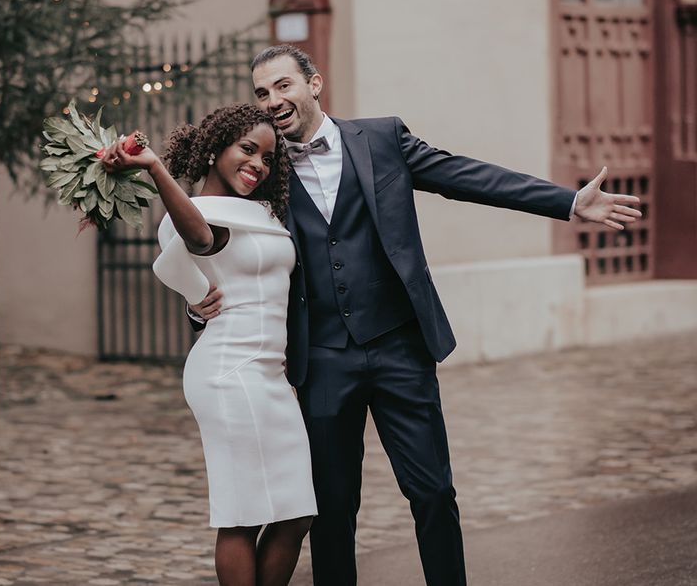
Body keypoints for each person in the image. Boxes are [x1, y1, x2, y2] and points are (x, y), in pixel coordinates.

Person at [190, 45, 642, 586]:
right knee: (333, 508)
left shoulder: (381, 138)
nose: (272, 100)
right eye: (262, 92)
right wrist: (198, 304)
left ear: (314, 85)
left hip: (399, 346)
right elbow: (215, 237)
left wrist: (567, 202)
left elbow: (466, 177)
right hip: (322, 358)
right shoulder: (263, 166)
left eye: (283, 85)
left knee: (432, 492)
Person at [101, 103, 316, 586]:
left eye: (267, 158)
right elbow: (199, 239)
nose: (257, 164)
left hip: (271, 376)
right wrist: (155, 167)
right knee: (243, 513)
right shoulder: (198, 215)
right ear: (216, 147)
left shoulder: (264, 212)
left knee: (297, 512)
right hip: (228, 372)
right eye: (247, 149)